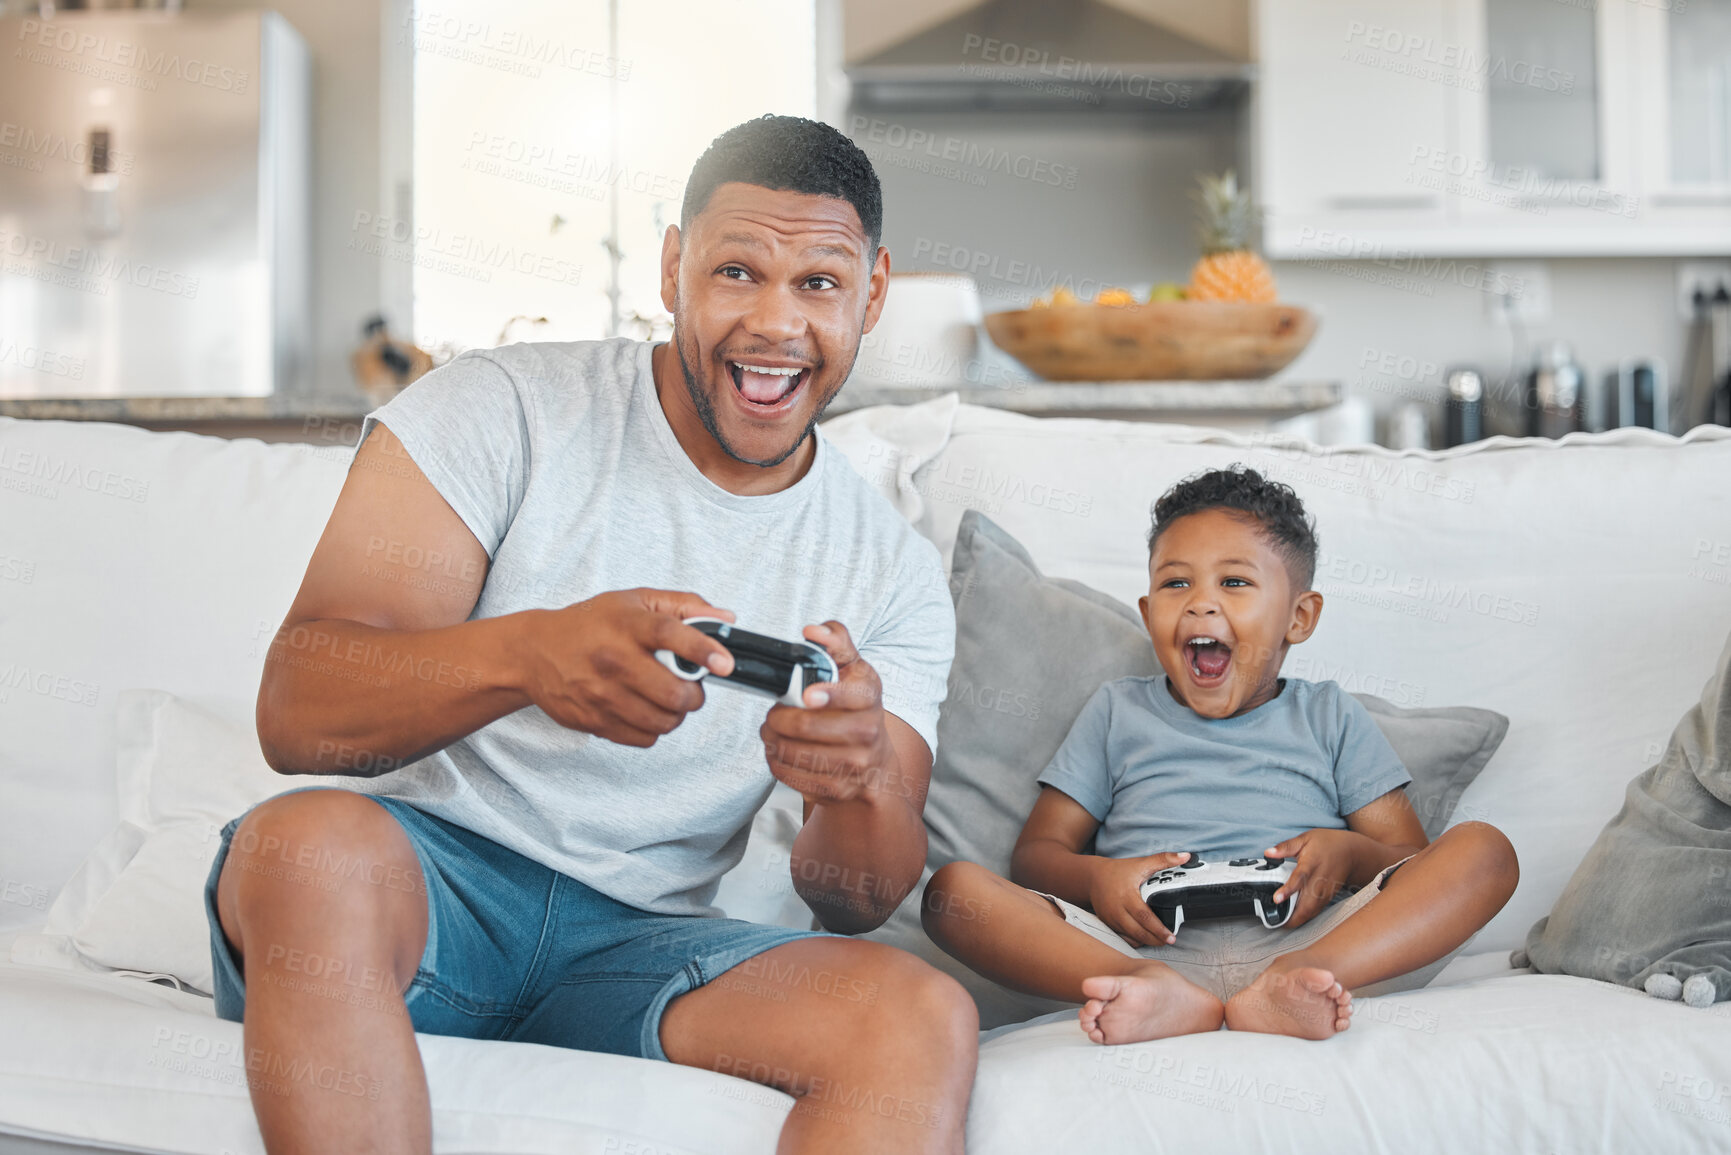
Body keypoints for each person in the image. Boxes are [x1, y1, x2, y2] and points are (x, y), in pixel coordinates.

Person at [208, 115, 978, 1155]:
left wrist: (859, 780)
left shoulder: (889, 570)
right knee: (303, 847)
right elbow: (298, 711)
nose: (774, 325)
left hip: (649, 947)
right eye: (738, 271)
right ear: (673, 267)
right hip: (423, 892)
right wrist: (527, 657)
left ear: (873, 294)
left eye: (819, 285)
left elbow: (862, 895)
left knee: (919, 1014)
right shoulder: (501, 411)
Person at [922, 466, 1518, 1044]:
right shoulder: (1117, 712)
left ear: (1299, 617)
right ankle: (1148, 992)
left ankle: (1301, 982)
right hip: (1142, 948)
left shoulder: (1330, 716)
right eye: (1176, 583)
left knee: (1484, 851)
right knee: (952, 893)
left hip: (1312, 941)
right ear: (1149, 611)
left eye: (1234, 583)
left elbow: (1408, 860)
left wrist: (1346, 852)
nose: (1200, 605)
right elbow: (1035, 858)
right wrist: (1100, 878)